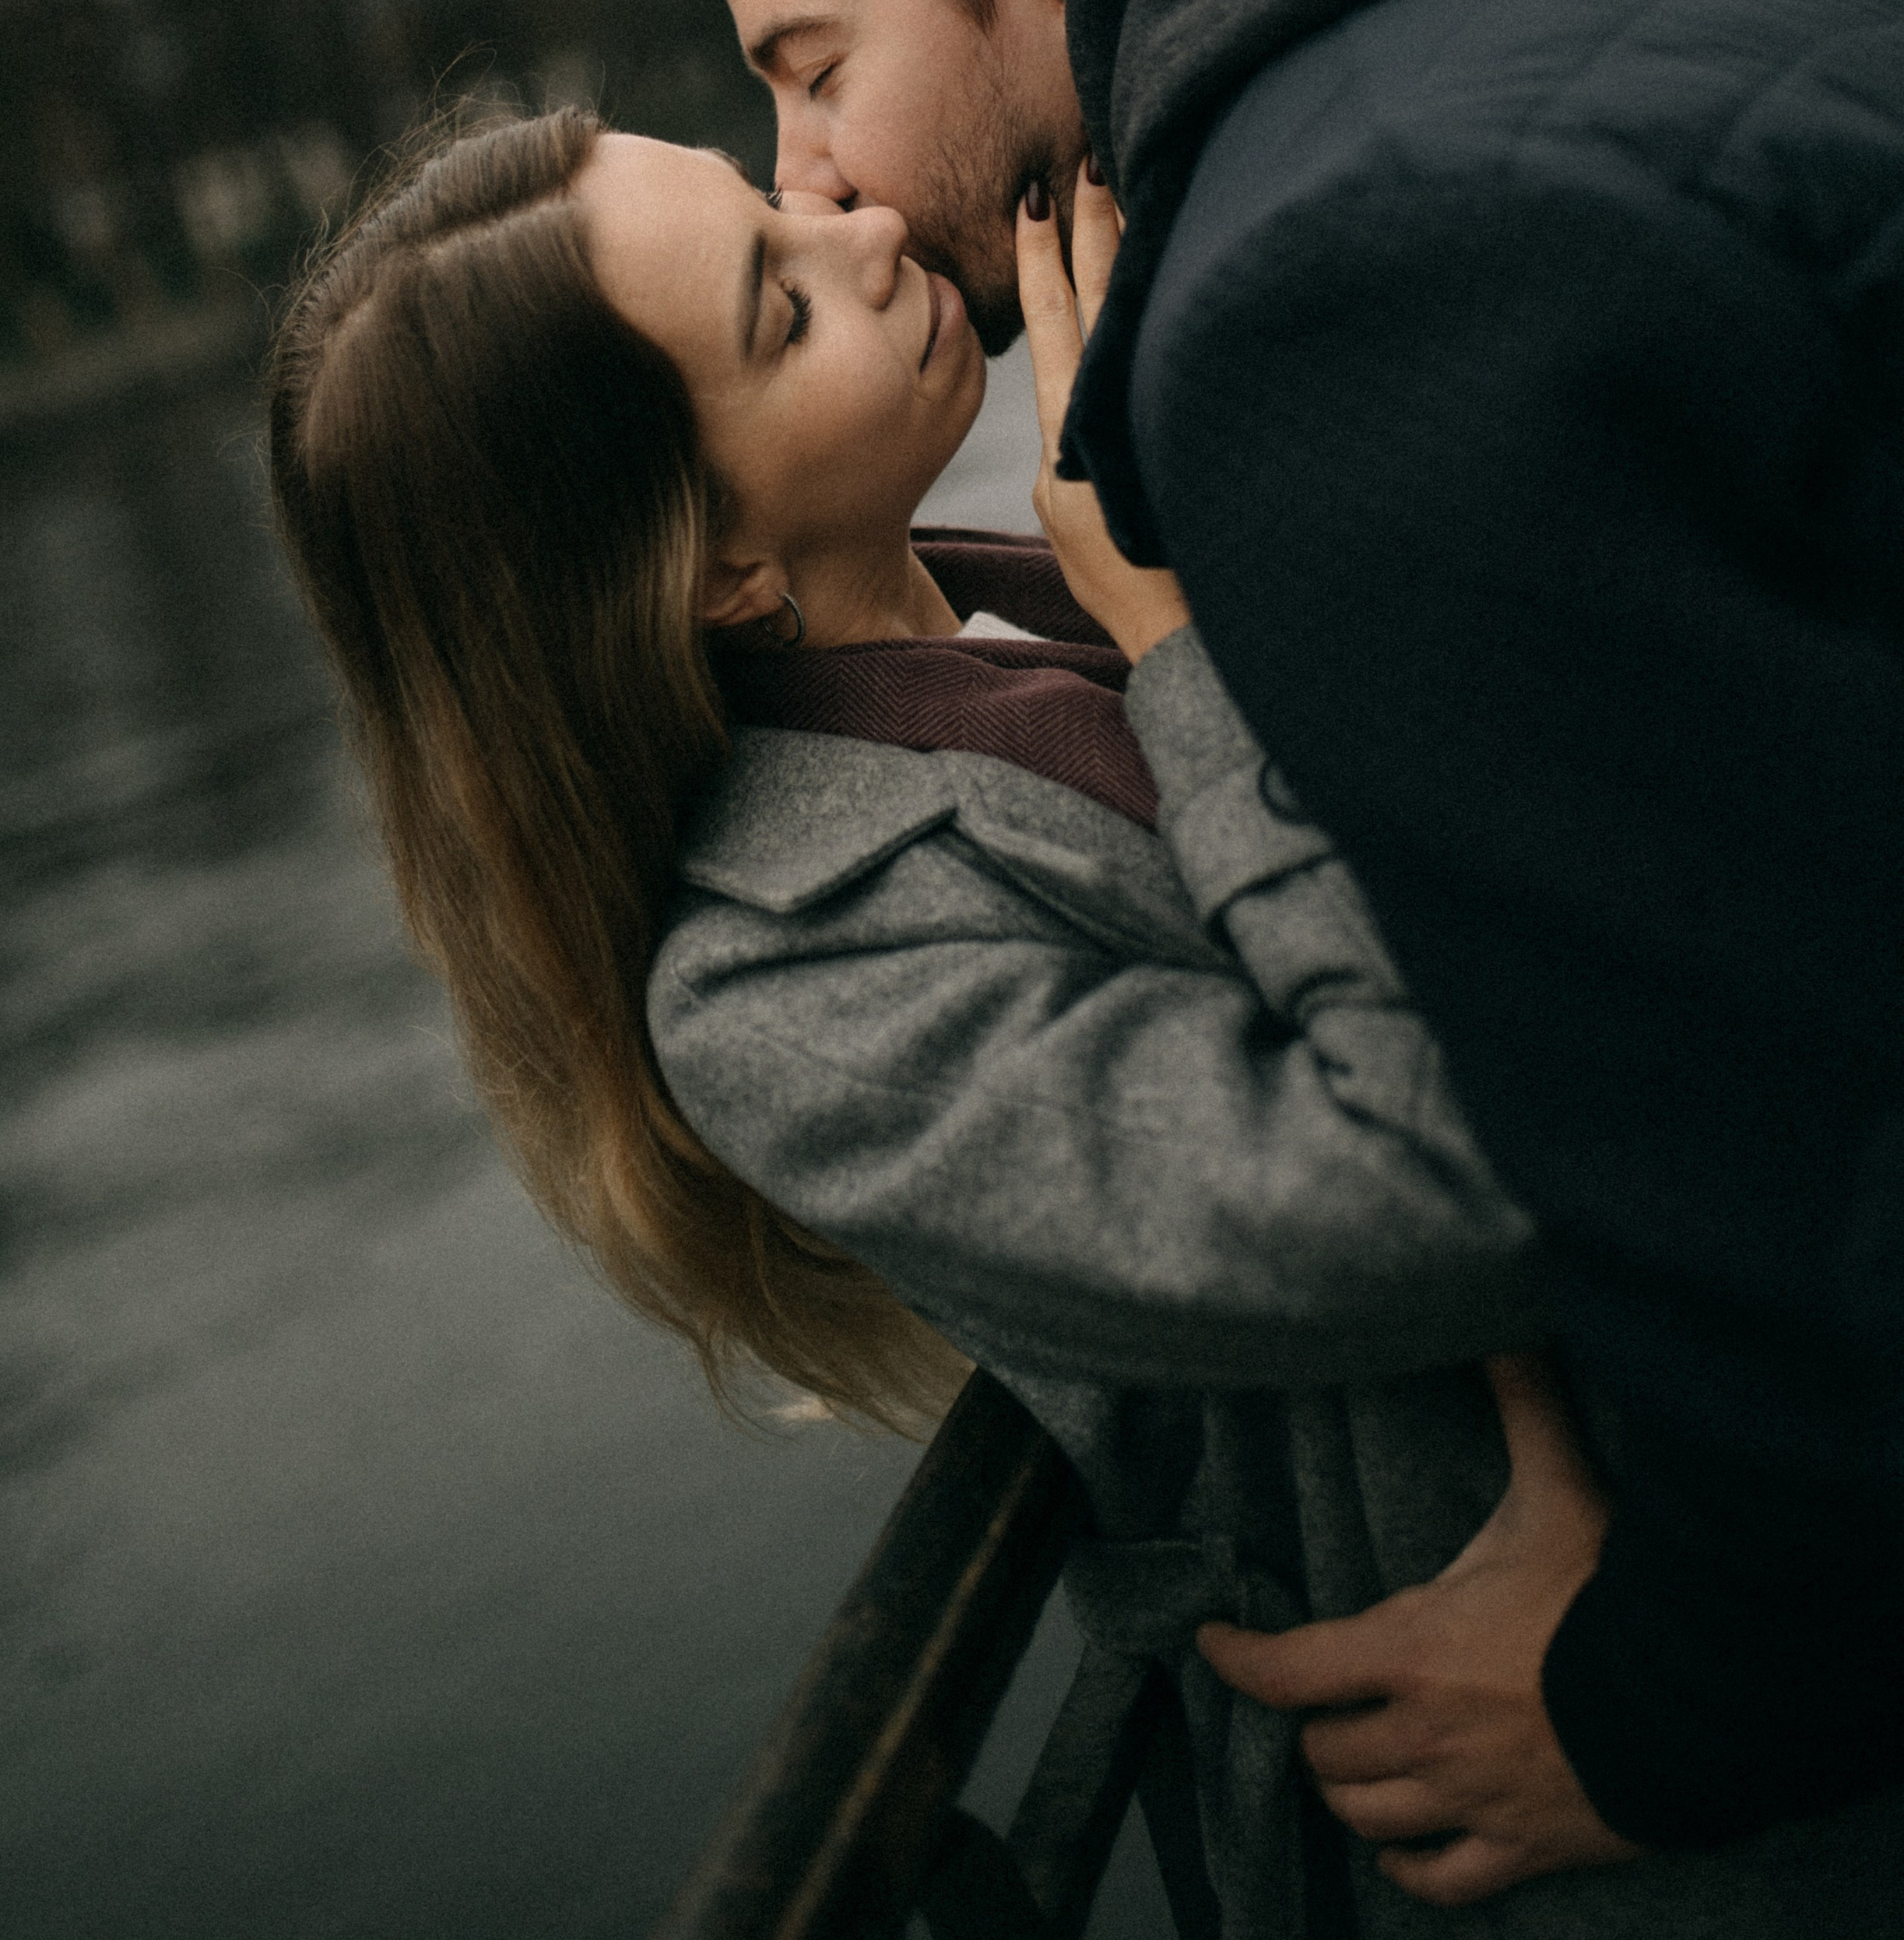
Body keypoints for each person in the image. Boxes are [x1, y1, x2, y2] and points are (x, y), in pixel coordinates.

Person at [658, 0, 1904, 1900]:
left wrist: (1673, 1698)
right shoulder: (1539, 38)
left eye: (815, 63)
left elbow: (1775, 1108)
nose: (812, 166)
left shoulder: (1329, 289)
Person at [265, 104, 1698, 1936]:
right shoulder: (785, 989)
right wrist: (1176, 638)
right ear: (714, 565)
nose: (853, 232)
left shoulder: (1049, 574)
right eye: (776, 309)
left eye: (771, 198)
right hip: (1542, 1813)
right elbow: (1428, 1180)